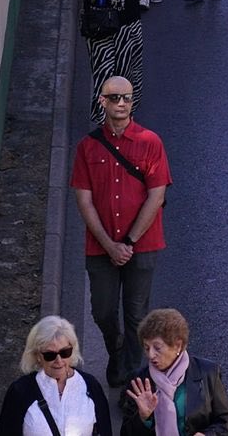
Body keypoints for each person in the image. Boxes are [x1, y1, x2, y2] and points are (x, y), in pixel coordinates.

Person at [70, 76, 169, 387]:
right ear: (103, 101)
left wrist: (128, 242)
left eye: (126, 98)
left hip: (143, 244)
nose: (122, 103)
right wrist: (110, 245)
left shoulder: (150, 142)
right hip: (101, 247)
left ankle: (131, 376)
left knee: (136, 314)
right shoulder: (88, 147)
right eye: (115, 98)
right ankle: (117, 349)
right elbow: (83, 201)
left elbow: (157, 195)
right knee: (102, 311)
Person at [120, 309, 228, 435]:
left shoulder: (207, 372)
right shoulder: (138, 381)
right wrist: (143, 418)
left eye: (157, 348)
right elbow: (126, 432)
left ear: (178, 345)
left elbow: (227, 420)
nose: (151, 355)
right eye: (147, 348)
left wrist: (207, 435)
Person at [0, 316, 112, 436]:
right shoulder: (20, 392)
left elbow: (105, 430)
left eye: (65, 352)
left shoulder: (90, 386)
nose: (59, 360)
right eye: (50, 355)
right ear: (38, 356)